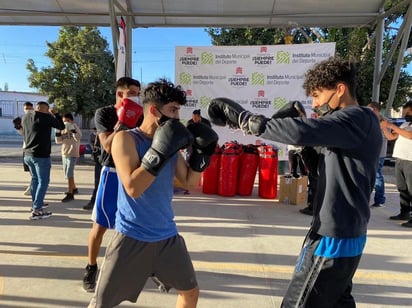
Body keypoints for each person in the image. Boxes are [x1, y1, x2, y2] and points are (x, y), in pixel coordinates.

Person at [207, 56, 382, 307]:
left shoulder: (357, 117)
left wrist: (247, 120)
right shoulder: (349, 128)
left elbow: (303, 130)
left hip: (333, 236)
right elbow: (320, 170)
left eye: (318, 96)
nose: (315, 104)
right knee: (338, 302)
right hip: (343, 230)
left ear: (340, 89)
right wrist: (304, 147)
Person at [82, 77, 142, 292]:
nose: (137, 96)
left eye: (138, 92)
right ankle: (91, 267)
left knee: (134, 225)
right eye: (133, 92)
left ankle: (141, 268)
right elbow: (107, 146)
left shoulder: (142, 115)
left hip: (135, 172)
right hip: (113, 173)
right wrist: (123, 124)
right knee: (101, 225)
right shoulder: (105, 113)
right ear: (120, 94)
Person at [22, 101, 65, 220]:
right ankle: (37, 210)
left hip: (28, 154)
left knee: (35, 179)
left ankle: (36, 204)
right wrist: (56, 114)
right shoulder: (46, 117)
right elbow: (61, 127)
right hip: (41, 156)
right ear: (45, 109)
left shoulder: (25, 117)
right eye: (48, 109)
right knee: (43, 181)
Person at [380, 101, 412, 227]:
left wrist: (392, 125)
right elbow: (391, 137)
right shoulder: (405, 124)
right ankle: (404, 212)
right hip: (400, 159)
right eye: (404, 113)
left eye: (408, 112)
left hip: (410, 160)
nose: (405, 115)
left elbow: (409, 136)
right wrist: (384, 126)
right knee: (402, 188)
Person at [55, 113, 82, 202]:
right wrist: (57, 132)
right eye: (64, 121)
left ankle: (70, 193)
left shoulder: (75, 126)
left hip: (73, 153)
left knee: (69, 173)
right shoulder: (62, 128)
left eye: (68, 121)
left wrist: (73, 130)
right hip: (64, 153)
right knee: (67, 173)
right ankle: (74, 188)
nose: (66, 123)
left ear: (72, 121)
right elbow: (58, 141)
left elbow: (78, 137)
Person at [367, 101, 388, 208]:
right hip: (369, 152)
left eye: (369, 109)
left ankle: (379, 200)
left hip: (379, 153)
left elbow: (386, 136)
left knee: (377, 177)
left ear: (375, 109)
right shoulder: (370, 119)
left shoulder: (383, 121)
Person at [12, 101, 34, 195]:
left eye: (30, 108)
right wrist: (18, 127)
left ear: (32, 109)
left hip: (34, 148)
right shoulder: (23, 119)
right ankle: (33, 185)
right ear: (23, 109)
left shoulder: (35, 119)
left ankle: (33, 187)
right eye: (26, 109)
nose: (28, 110)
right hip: (26, 147)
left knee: (34, 170)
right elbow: (23, 134)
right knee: (29, 169)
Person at [83, 128, 102, 210]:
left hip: (108, 161)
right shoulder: (95, 134)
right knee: (98, 183)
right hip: (100, 160)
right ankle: (94, 201)